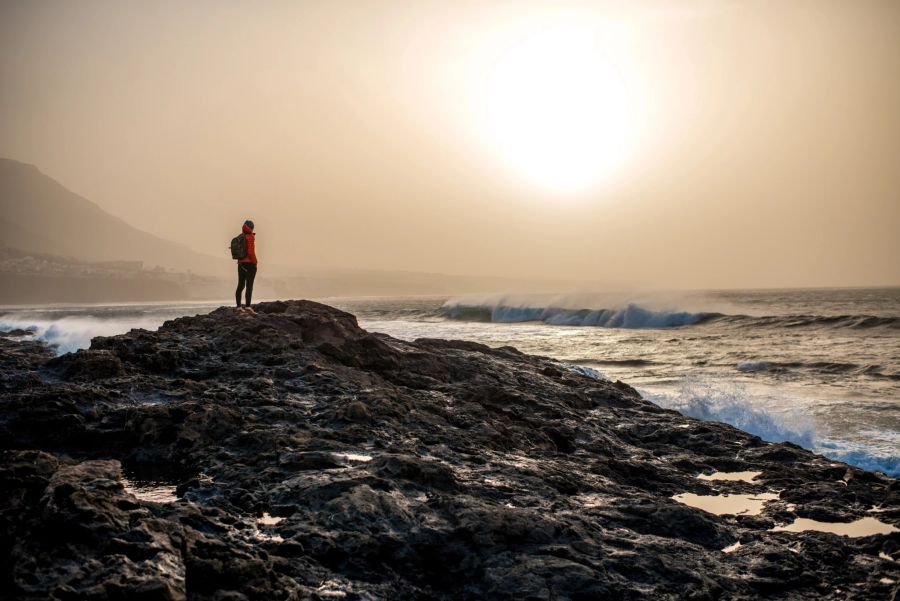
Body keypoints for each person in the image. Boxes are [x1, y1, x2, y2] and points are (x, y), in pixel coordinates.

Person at [235, 219, 258, 310]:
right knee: (249, 285)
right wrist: (255, 262)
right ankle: (248, 307)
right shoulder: (250, 237)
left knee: (240, 285)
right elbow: (251, 252)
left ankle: (238, 307)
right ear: (251, 228)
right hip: (249, 265)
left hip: (240, 264)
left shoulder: (240, 236)